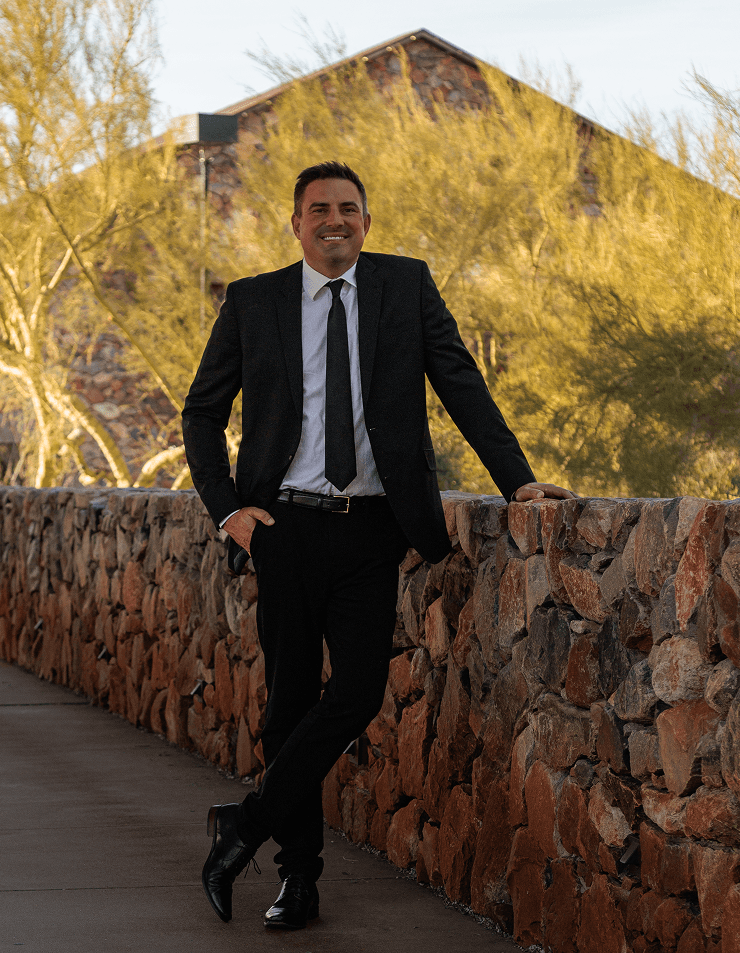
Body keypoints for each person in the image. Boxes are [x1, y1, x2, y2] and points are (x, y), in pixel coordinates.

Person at [182, 160, 575, 931]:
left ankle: (247, 823)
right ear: (295, 223)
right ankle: (298, 880)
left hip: (372, 526)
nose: (335, 220)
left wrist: (516, 481)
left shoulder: (405, 285)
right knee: (289, 702)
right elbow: (202, 412)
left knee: (358, 691)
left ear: (368, 220)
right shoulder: (254, 301)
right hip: (283, 527)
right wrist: (226, 510)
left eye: (349, 209)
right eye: (319, 209)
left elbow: (461, 382)